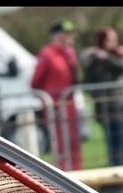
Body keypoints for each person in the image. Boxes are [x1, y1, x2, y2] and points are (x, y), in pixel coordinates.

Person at [30, 20, 82, 171]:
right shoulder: (47, 54)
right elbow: (35, 82)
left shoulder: (70, 53)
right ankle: (61, 177)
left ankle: (79, 175)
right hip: (55, 108)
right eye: (67, 34)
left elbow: (76, 79)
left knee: (73, 143)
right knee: (59, 145)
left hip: (70, 106)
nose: (70, 37)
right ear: (57, 36)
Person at [81, 27, 123, 166]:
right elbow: (89, 77)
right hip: (104, 107)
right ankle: (115, 171)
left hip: (121, 106)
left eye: (114, 39)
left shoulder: (120, 54)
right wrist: (97, 58)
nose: (113, 42)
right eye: (110, 39)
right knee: (111, 142)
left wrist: (107, 58)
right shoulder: (92, 56)